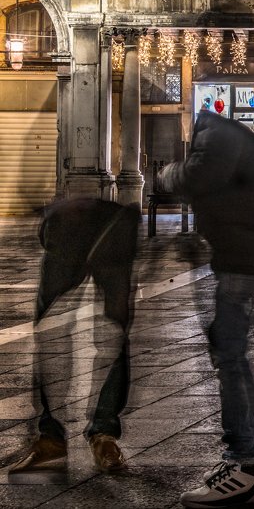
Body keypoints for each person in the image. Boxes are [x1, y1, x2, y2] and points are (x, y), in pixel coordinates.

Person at [160, 112, 254, 507]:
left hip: (238, 255)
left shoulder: (214, 133)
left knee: (231, 357)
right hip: (245, 251)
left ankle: (244, 463)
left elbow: (199, 176)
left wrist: (167, 174)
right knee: (243, 354)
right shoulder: (235, 136)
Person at [9, 198, 140, 482]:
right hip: (69, 221)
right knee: (50, 334)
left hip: (111, 223)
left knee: (112, 334)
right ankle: (53, 436)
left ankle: (102, 433)